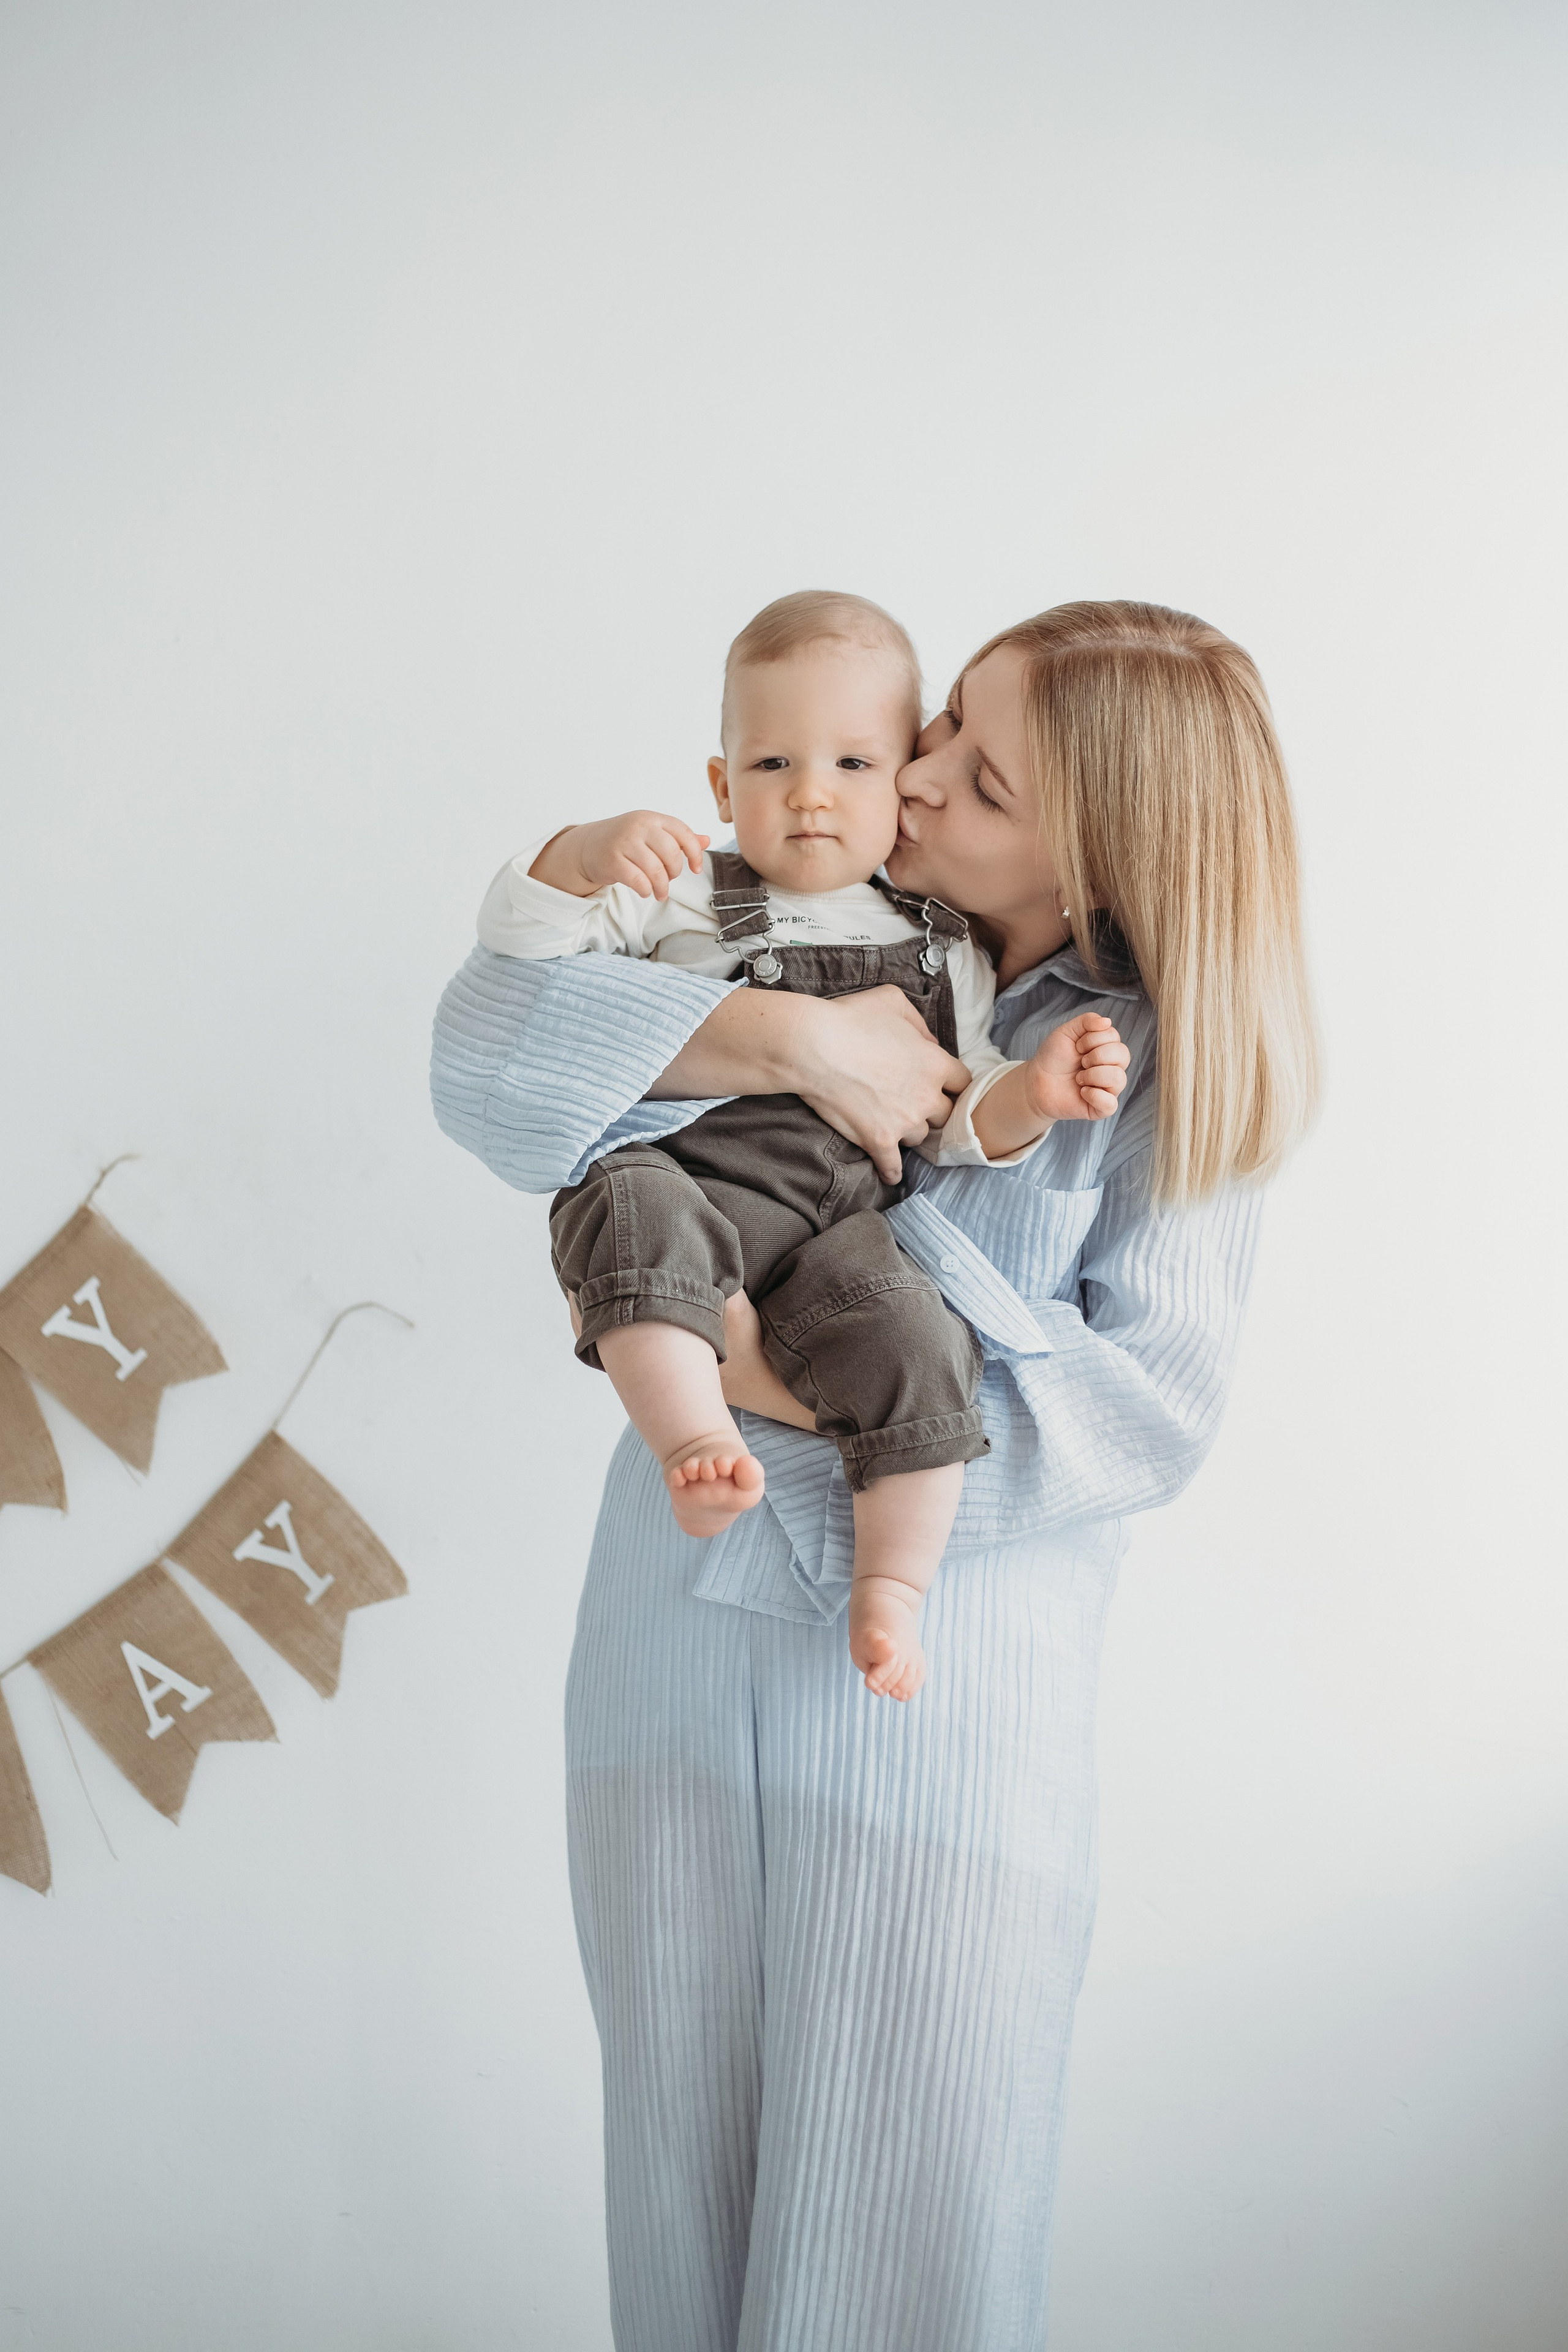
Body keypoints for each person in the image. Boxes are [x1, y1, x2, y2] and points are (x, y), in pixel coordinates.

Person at [430, 600, 1320, 2352]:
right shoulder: (789, 910)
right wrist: (787, 1043)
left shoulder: (1148, 1068)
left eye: (972, 777)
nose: (903, 782)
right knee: (676, 2213)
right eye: (939, 732)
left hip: (940, 1694)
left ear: (1100, 857)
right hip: (673, 1646)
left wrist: (776, 1385)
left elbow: (1146, 1408)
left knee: (901, 2245)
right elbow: (479, 1063)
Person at [475, 589, 1128, 1699]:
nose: (814, 796)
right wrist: (586, 853)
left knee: (919, 1339)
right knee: (625, 1208)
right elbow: (517, 950)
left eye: (856, 766)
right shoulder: (685, 888)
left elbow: (961, 1114)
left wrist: (1038, 1100)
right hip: (697, 1187)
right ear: (724, 786)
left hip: (838, 1231)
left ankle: (895, 1588)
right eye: (773, 766)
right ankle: (689, 1441)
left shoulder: (942, 951)